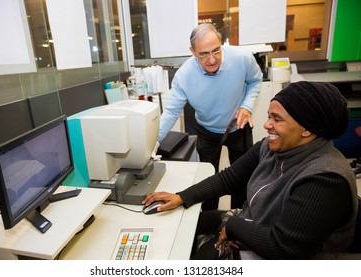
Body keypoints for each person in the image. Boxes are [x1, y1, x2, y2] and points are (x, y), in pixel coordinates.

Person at [144, 81, 359, 259]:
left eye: (277, 119)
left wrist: (235, 227)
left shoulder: (324, 180)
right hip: (256, 222)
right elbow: (228, 179)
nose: (266, 125)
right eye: (269, 116)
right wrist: (182, 197)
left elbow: (284, 248)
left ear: (308, 129)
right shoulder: (270, 147)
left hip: (282, 254)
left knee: (198, 258)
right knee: (185, 224)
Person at [155, 23, 263, 210]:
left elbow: (255, 80)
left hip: (239, 127)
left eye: (216, 50)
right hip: (207, 131)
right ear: (192, 51)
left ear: (221, 44)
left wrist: (247, 106)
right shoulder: (184, 76)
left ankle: (237, 221)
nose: (212, 60)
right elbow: (171, 111)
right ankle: (208, 222)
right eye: (204, 54)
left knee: (242, 179)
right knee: (207, 180)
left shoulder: (242, 58)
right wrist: (154, 143)